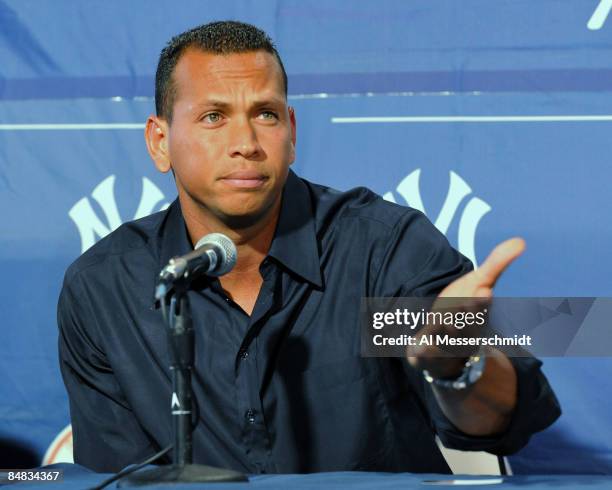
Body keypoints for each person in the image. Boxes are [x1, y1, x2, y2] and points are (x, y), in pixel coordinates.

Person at [58, 20, 560, 474]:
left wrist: (456, 366)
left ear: (291, 133)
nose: (246, 142)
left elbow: (504, 419)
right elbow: (120, 478)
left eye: (266, 114)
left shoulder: (380, 251)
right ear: (160, 142)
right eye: (213, 116)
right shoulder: (106, 288)